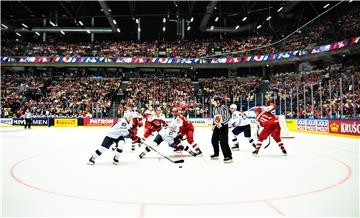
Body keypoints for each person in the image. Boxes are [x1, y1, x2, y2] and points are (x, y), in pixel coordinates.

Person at [210, 96, 232, 163]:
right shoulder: (214, 108)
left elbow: (228, 118)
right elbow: (215, 117)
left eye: (213, 101)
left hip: (223, 126)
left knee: (223, 142)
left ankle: (228, 156)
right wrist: (213, 124)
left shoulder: (224, 107)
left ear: (218, 101)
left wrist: (222, 124)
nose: (212, 102)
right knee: (213, 140)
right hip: (217, 126)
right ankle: (216, 154)